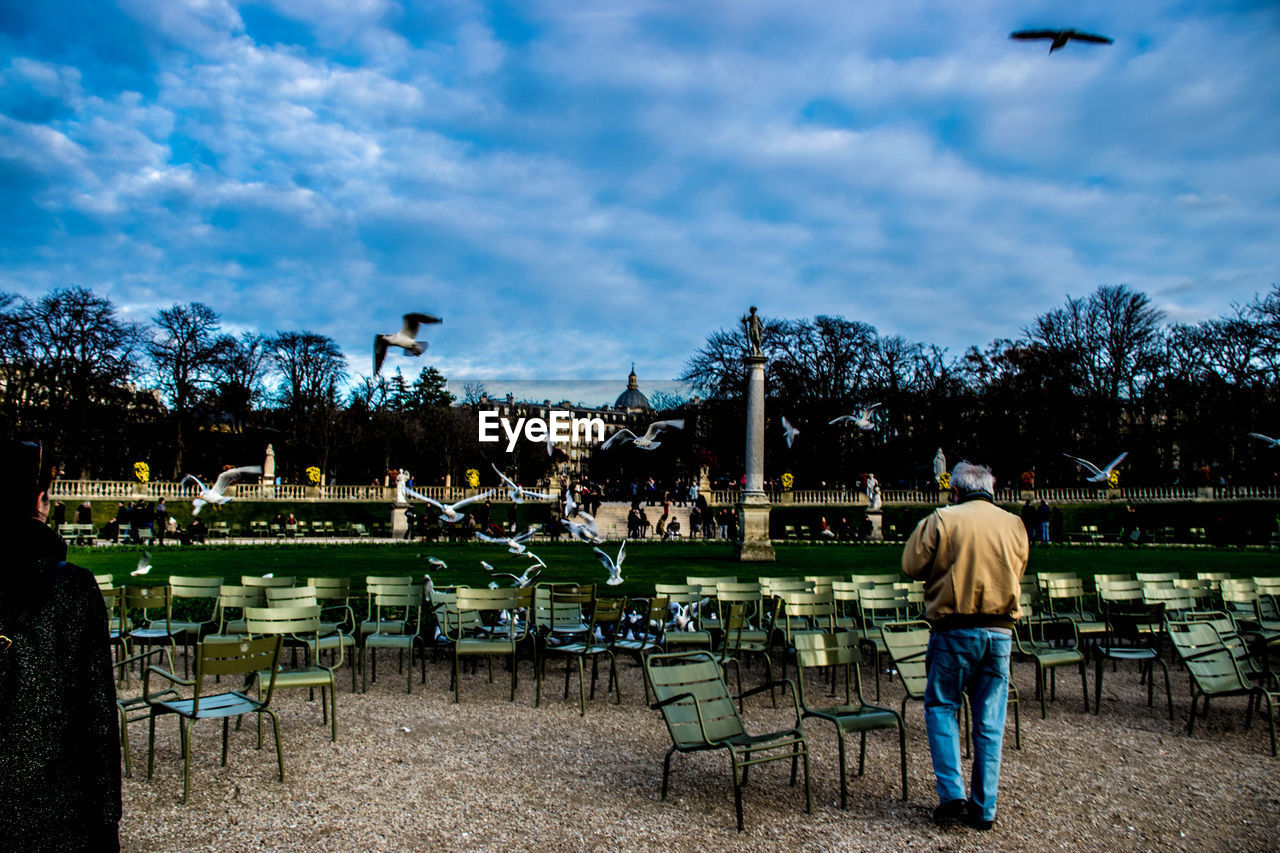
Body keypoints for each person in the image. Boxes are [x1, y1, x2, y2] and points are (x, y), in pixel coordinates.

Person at [0, 441, 122, 850]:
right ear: (40, 500)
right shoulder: (72, 589)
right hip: (46, 810)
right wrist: (106, 824)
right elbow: (98, 720)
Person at [901, 462, 1029, 832]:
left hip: (955, 627)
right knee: (990, 721)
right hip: (1000, 630)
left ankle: (953, 794)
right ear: (992, 489)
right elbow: (1017, 568)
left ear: (955, 491)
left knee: (942, 706)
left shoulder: (943, 519)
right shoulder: (1013, 524)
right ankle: (984, 808)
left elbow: (911, 565)